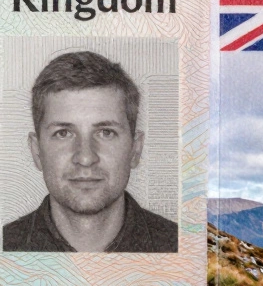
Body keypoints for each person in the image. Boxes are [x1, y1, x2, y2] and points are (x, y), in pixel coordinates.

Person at [3, 51, 177, 253]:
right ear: (36, 151)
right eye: (63, 133)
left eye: (105, 133)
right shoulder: (5, 246)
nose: (85, 158)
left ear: (135, 149)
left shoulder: (182, 247)